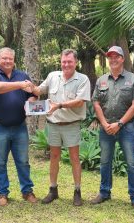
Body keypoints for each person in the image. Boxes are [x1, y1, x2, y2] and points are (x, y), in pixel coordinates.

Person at [32, 49, 91, 206]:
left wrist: (59, 105)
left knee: (74, 158)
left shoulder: (82, 79)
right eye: (64, 61)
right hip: (53, 125)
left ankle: (77, 191)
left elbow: (80, 102)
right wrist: (28, 86)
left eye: (69, 61)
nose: (66, 64)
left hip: (71, 125)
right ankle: (53, 190)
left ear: (75, 62)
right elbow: (39, 90)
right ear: (60, 62)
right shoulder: (53, 76)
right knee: (54, 157)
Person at [90, 46, 134, 212]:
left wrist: (119, 123)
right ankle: (104, 192)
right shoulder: (101, 80)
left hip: (126, 128)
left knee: (132, 163)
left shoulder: (133, 79)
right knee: (105, 161)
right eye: (110, 57)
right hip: (106, 128)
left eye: (116, 57)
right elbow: (96, 102)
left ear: (122, 58)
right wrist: (104, 123)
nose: (113, 59)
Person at [0, 47, 37, 206]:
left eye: (10, 59)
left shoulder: (22, 75)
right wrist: (20, 85)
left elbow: (33, 93)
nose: (7, 61)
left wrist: (31, 101)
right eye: (4, 58)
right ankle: (3, 193)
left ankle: (27, 191)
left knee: (23, 161)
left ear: (14, 60)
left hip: (20, 126)